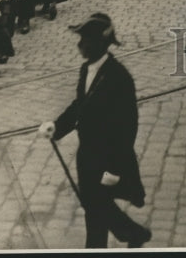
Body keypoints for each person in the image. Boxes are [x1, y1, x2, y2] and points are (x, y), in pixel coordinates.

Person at [38, 12, 150, 249]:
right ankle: (131, 235)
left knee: (96, 206)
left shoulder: (119, 77)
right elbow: (80, 105)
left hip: (108, 158)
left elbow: (127, 127)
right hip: (87, 155)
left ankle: (130, 234)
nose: (79, 45)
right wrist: (57, 127)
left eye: (85, 40)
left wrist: (115, 169)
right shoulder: (85, 69)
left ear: (101, 44)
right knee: (93, 207)